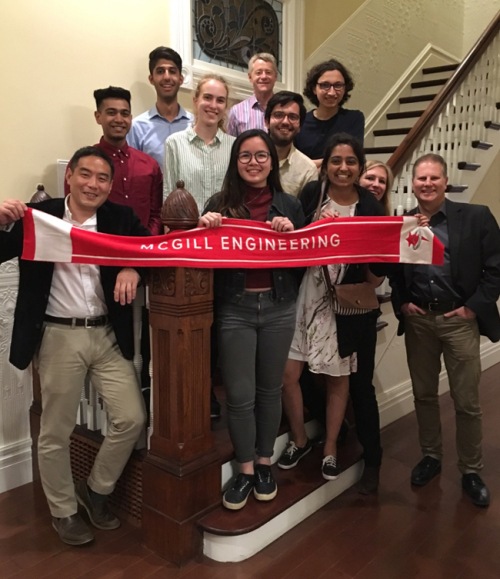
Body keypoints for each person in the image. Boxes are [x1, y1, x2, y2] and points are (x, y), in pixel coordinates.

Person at [0, 146, 149, 545]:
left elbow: (152, 252)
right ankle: (63, 512)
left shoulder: (120, 218)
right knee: (55, 432)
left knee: (132, 418)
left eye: (102, 178)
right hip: (58, 336)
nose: (93, 184)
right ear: (70, 176)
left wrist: (134, 266)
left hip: (106, 335)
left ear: (111, 186)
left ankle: (96, 491)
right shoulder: (41, 215)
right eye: (85, 174)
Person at [201, 129, 305, 510]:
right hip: (235, 309)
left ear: (271, 162)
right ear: (235, 161)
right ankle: (245, 470)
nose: (254, 162)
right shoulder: (219, 204)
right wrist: (204, 226)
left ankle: (265, 464)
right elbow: (201, 256)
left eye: (261, 156)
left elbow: (306, 258)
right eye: (245, 156)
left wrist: (292, 236)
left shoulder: (290, 205)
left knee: (270, 389)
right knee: (240, 396)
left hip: (279, 308)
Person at [390, 153, 500, 507]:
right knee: (423, 395)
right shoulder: (405, 224)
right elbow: (395, 271)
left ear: (446, 181)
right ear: (413, 184)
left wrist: (473, 308)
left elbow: (495, 268)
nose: (427, 184)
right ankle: (431, 456)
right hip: (420, 321)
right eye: (421, 179)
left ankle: (470, 469)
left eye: (434, 178)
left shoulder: (476, 217)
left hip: (459, 322)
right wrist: (402, 303)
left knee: (466, 400)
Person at [279, 133, 386, 482]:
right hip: (306, 294)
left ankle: (329, 448)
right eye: (336, 161)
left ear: (360, 166)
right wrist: (314, 228)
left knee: (339, 376)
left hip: (345, 303)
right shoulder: (313, 194)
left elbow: (378, 264)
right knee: (288, 374)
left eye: (351, 161)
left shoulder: (369, 204)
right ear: (325, 165)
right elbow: (295, 242)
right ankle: (299, 438)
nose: (343, 168)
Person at [65, 86, 163, 235]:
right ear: (98, 117)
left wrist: (146, 242)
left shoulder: (150, 165)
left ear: (130, 118)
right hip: (98, 249)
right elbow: (72, 209)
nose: (119, 119)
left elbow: (157, 213)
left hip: (141, 250)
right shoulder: (82, 164)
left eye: (124, 114)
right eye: (111, 113)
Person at [163, 74, 235, 210]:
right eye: (207, 97)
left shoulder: (234, 146)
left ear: (225, 106)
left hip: (223, 228)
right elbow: (168, 195)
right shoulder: (174, 143)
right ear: (196, 101)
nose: (213, 105)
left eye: (220, 100)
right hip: (187, 229)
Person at [127, 46, 194, 168]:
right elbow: (132, 172)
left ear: (181, 79)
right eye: (160, 71)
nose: (167, 77)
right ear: (151, 79)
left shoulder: (195, 124)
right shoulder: (136, 128)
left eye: (172, 71)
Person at [294, 60, 364, 169]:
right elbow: (294, 163)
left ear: (345, 88)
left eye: (338, 85)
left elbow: (352, 158)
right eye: (325, 85)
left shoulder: (354, 118)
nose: (331, 92)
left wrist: (309, 165)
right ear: (314, 89)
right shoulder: (299, 121)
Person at [264, 91, 318, 197]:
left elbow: (306, 213)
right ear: (267, 122)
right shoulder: (248, 159)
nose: (285, 122)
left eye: (293, 117)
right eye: (278, 115)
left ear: (300, 127)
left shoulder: (307, 170)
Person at [227, 53, 278, 137]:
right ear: (250, 77)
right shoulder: (236, 111)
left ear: (275, 76)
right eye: (259, 72)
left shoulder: (284, 110)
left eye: (268, 72)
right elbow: (231, 146)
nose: (264, 76)